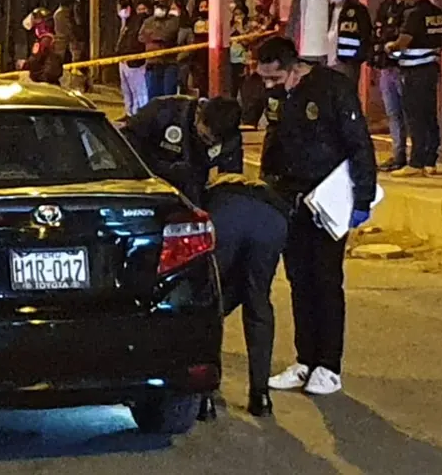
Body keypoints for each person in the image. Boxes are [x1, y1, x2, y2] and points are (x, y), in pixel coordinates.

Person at [256, 36, 377, 396]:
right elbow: (275, 141)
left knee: (325, 281)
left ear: (293, 68)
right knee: (298, 280)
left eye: (274, 79)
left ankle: (329, 365)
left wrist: (363, 198)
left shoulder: (332, 88)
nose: (268, 86)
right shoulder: (281, 97)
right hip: (290, 199)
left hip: (327, 200)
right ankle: (305, 359)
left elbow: (358, 142)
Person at [204, 174, 290, 417]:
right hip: (272, 219)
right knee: (258, 301)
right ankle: (260, 396)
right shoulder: (253, 185)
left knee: (209, 300)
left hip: (226, 216)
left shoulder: (210, 191)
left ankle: (204, 396)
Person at [121, 95, 243, 205]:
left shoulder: (230, 140)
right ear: (198, 116)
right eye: (204, 137)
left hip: (192, 190)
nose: (208, 144)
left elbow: (231, 181)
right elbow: (126, 144)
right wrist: (161, 168)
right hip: (150, 185)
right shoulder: (162, 112)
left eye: (214, 143)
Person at [384, 0, 442, 178]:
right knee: (429, 115)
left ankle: (417, 162)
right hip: (431, 69)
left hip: (414, 71)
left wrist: (390, 47)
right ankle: (430, 160)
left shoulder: (414, 14)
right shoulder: (437, 12)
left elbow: (404, 41)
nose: (402, 1)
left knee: (415, 116)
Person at [372, 0, 414, 172]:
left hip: (407, 69)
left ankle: (416, 157)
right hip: (387, 68)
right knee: (393, 113)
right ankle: (398, 155)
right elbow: (378, 32)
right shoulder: (387, 5)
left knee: (410, 113)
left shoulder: (413, 8)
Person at [327, 0, 372, 87]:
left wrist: (358, 58)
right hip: (327, 59)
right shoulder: (326, 10)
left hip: (347, 61)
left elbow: (366, 35)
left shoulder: (357, 10)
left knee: (346, 94)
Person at [138, 1, 181, 99]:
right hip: (152, 62)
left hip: (169, 63)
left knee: (168, 95)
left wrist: (151, 35)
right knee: (153, 95)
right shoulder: (148, 21)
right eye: (157, 7)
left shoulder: (173, 21)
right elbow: (141, 37)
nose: (159, 9)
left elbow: (167, 35)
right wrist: (156, 36)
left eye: (162, 7)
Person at [114, 0, 148, 116]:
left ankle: (140, 113)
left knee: (138, 90)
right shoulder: (125, 22)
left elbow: (135, 41)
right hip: (123, 61)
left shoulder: (137, 21)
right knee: (126, 90)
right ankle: (129, 113)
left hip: (134, 61)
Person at [21, 7, 63, 85]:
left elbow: (35, 59)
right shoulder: (53, 38)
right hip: (52, 79)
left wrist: (24, 64)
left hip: (44, 81)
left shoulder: (44, 40)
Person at [229, 3, 251, 100]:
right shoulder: (231, 27)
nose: (238, 17)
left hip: (242, 60)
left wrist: (240, 29)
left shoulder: (248, 27)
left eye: (240, 14)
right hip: (231, 60)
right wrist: (233, 28)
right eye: (235, 14)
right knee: (232, 87)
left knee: (244, 87)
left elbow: (247, 42)